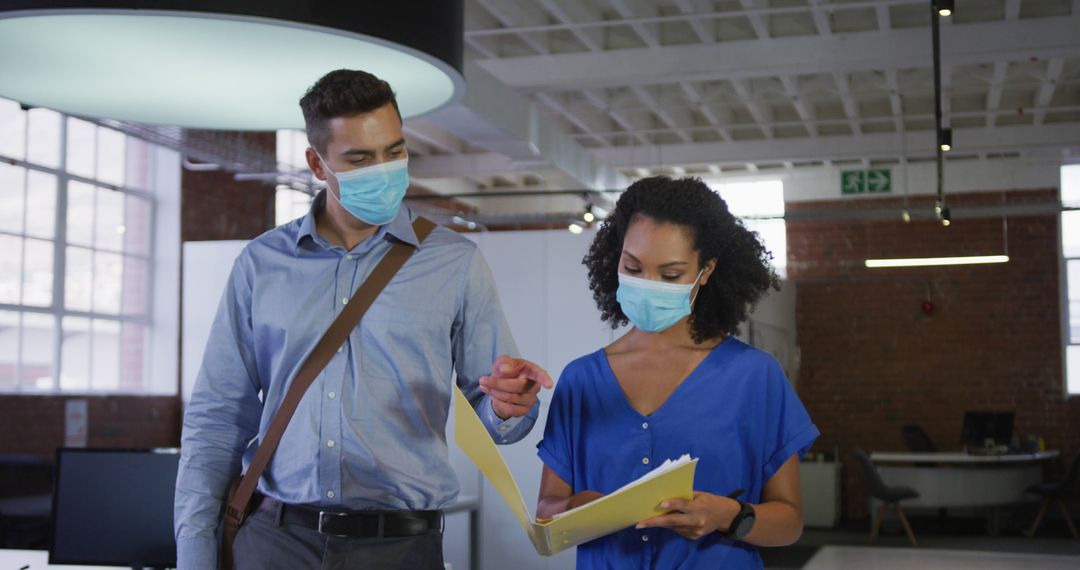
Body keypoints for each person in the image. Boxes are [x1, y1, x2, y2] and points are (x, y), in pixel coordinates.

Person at [174, 69, 553, 570]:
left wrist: (508, 407)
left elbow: (495, 412)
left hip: (400, 548)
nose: (383, 169)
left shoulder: (455, 262)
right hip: (275, 542)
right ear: (316, 162)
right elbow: (218, 418)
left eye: (394, 151)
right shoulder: (261, 265)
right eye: (359, 158)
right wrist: (195, 556)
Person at [535, 176, 818, 568]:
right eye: (632, 267)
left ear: (706, 271)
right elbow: (546, 512)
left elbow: (789, 523)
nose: (647, 285)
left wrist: (728, 516)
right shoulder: (581, 381)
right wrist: (573, 508)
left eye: (670, 275)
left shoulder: (754, 377)